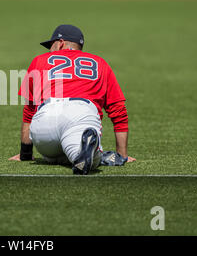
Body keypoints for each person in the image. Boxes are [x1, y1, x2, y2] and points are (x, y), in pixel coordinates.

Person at [9, 24, 136, 175]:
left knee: (51, 157)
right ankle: (91, 155)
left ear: (61, 43)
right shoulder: (100, 63)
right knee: (85, 157)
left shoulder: (39, 60)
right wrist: (122, 156)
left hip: (44, 122)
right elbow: (118, 111)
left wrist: (25, 155)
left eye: (51, 45)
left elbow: (29, 110)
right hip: (80, 115)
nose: (49, 50)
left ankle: (71, 155)